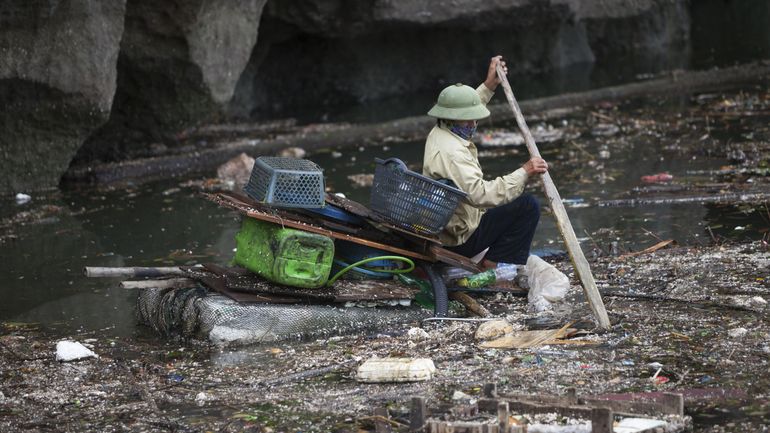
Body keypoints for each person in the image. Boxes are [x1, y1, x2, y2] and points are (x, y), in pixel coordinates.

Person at [422, 55, 548, 271]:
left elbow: (466, 108)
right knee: (528, 206)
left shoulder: (440, 130)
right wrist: (524, 172)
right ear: (451, 118)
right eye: (468, 119)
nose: (473, 123)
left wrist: (490, 85)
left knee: (515, 202)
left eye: (474, 118)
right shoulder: (453, 153)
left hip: (450, 223)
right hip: (459, 239)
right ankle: (489, 264)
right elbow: (480, 195)